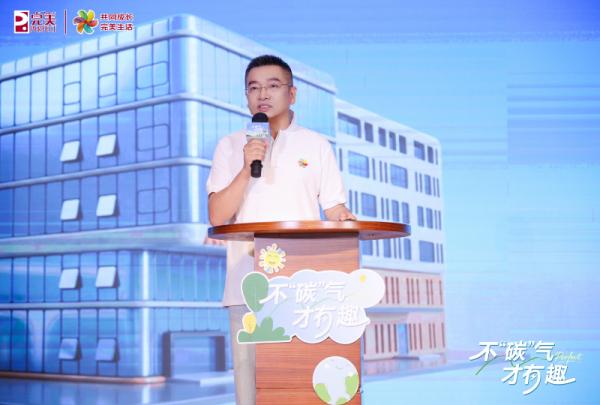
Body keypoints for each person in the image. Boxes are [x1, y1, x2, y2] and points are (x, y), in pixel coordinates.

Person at [206, 54, 355, 405]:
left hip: (303, 289)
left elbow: (334, 207)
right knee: (252, 391)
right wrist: (247, 167)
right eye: (253, 88)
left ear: (292, 93)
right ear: (246, 96)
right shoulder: (230, 145)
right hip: (246, 284)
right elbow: (217, 215)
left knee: (302, 387)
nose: (262, 94)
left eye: (272, 85)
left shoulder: (316, 145)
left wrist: (343, 216)